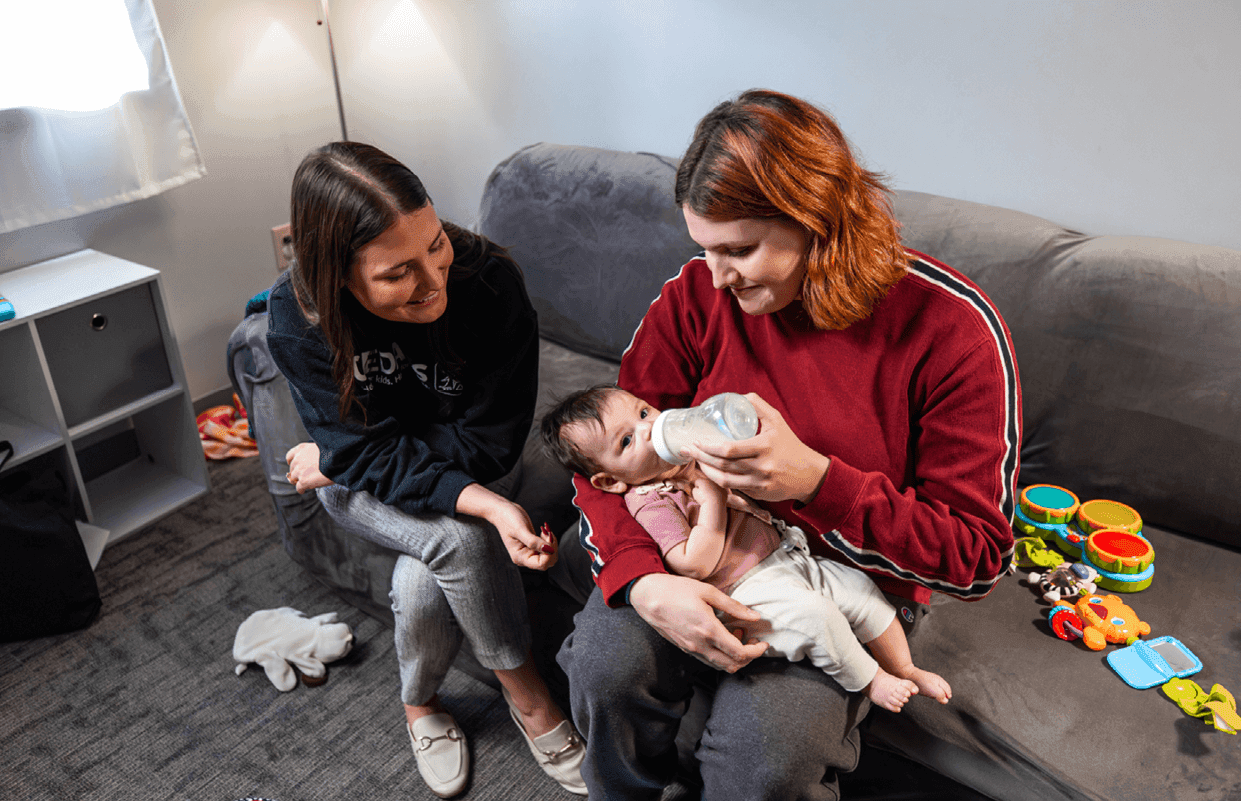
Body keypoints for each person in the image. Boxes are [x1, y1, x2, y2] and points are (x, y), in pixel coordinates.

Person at [556, 89, 1020, 800]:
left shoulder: (950, 331)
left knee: (764, 759)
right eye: (703, 249)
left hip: (839, 577)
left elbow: (975, 557)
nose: (714, 276)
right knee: (602, 665)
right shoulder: (697, 294)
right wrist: (643, 579)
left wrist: (815, 481)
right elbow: (609, 456)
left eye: (738, 249)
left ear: (820, 223)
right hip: (690, 548)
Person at [266, 141, 585, 798]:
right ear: (337, 276)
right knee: (463, 537)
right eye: (396, 272)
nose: (433, 278)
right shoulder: (298, 317)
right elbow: (366, 455)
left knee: (430, 571)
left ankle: (419, 703)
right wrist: (358, 456)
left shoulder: (489, 282)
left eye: (435, 243)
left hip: (379, 465)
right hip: (359, 484)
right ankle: (529, 696)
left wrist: (340, 454)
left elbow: (490, 446)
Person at [541, 384, 952, 713]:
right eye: (628, 441)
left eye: (644, 413)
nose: (649, 429)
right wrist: (713, 497)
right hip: (744, 589)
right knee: (816, 616)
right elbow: (693, 563)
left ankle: (905, 667)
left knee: (859, 589)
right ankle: (871, 680)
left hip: (785, 556)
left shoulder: (689, 458)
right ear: (611, 482)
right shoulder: (652, 500)